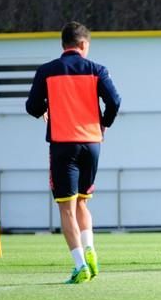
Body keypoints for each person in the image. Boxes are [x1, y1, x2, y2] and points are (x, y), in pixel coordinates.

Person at [26, 21, 121, 283]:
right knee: (82, 201)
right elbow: (115, 100)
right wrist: (104, 122)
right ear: (83, 44)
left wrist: (44, 110)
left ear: (63, 45)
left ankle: (80, 265)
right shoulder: (97, 70)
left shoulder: (47, 71)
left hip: (63, 143)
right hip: (92, 143)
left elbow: (32, 106)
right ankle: (90, 248)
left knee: (66, 208)